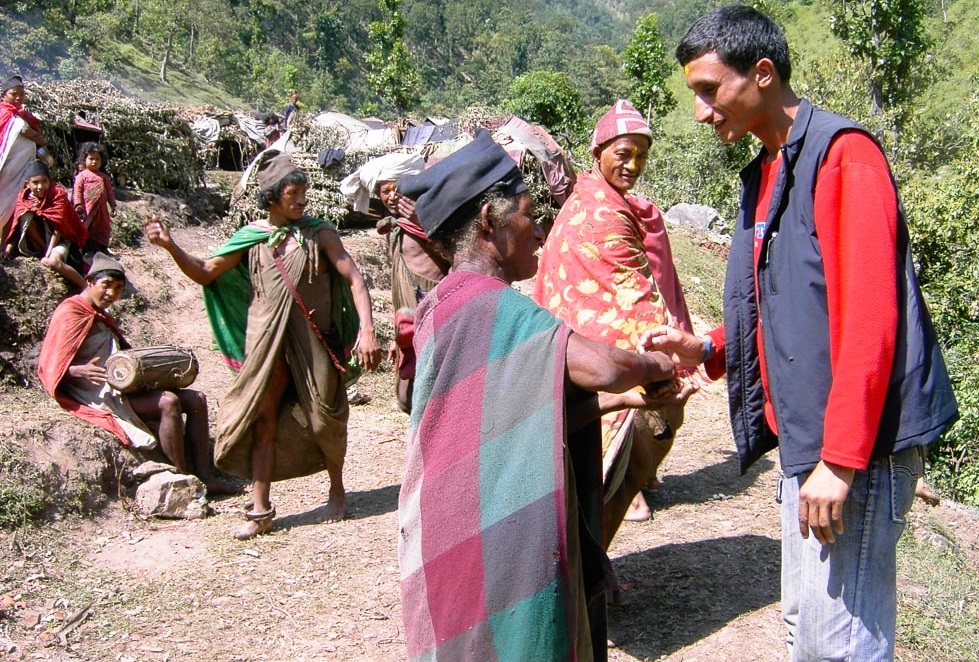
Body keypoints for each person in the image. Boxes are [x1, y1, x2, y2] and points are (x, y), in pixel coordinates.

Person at [649, 6, 959, 660]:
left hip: (859, 449)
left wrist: (841, 462)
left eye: (709, 90)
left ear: (762, 73)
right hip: (810, 439)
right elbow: (787, 299)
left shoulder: (844, 158)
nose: (702, 111)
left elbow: (871, 321)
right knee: (804, 626)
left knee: (840, 644)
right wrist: (710, 348)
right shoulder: (765, 172)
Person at [396, 131, 693, 661]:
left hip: (446, 523)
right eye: (529, 215)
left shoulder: (444, 304)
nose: (538, 230)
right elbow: (602, 364)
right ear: (490, 220)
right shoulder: (493, 308)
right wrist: (659, 363)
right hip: (491, 535)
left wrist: (625, 402)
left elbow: (516, 417)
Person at [145, 150, 382, 540]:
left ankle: (337, 490)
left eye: (304, 193)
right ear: (272, 197)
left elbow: (355, 280)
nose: (302, 200)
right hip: (265, 344)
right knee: (262, 420)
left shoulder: (320, 234)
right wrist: (171, 247)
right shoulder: (251, 237)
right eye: (293, 194)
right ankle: (260, 511)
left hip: (313, 342)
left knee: (325, 417)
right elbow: (206, 273)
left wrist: (367, 331)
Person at [533, 99, 696, 537]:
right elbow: (632, 291)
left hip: (579, 360)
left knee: (595, 483)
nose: (632, 164)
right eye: (623, 154)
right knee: (612, 476)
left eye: (640, 156)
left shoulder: (599, 202)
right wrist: (671, 361)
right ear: (598, 152)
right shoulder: (600, 212)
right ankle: (585, 579)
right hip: (599, 363)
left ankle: (587, 572)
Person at [36, 254, 235, 494]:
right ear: (89, 282)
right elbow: (49, 365)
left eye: (118, 288)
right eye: (106, 285)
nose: (111, 293)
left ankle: (205, 475)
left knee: (196, 399)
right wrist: (80, 370)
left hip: (117, 384)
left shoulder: (100, 314)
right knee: (168, 402)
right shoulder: (70, 312)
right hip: (95, 393)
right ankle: (182, 480)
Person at [340, 150, 445, 412]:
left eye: (393, 188)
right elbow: (398, 282)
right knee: (405, 397)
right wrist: (397, 336)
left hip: (434, 307)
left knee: (433, 388)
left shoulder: (434, 217)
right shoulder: (394, 227)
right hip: (408, 316)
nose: (389, 197)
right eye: (382, 192)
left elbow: (453, 255)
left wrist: (421, 220)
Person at [1, 159, 87, 289]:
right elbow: (16, 227)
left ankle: (85, 287)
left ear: (50, 182)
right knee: (28, 214)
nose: (40, 186)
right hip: (36, 244)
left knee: (54, 262)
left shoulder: (58, 196)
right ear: (27, 184)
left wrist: (48, 254)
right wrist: (8, 250)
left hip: (60, 241)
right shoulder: (23, 199)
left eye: (44, 181)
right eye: (35, 182)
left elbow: (59, 228)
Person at [0, 75, 47, 237]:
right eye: (14, 94)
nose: (19, 97)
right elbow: (24, 130)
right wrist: (39, 138)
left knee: (14, 205)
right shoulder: (5, 113)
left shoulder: (21, 115)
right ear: (4, 95)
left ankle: (5, 246)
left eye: (22, 94)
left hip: (20, 171)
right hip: (7, 169)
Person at [73, 142, 117, 256]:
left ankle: (102, 249)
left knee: (103, 228)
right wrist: (78, 205)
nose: (94, 162)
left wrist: (113, 205)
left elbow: (110, 193)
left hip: (102, 212)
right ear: (84, 160)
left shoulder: (104, 177)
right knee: (88, 229)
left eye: (97, 159)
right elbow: (77, 191)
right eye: (91, 158)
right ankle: (86, 249)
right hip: (88, 210)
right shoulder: (82, 176)